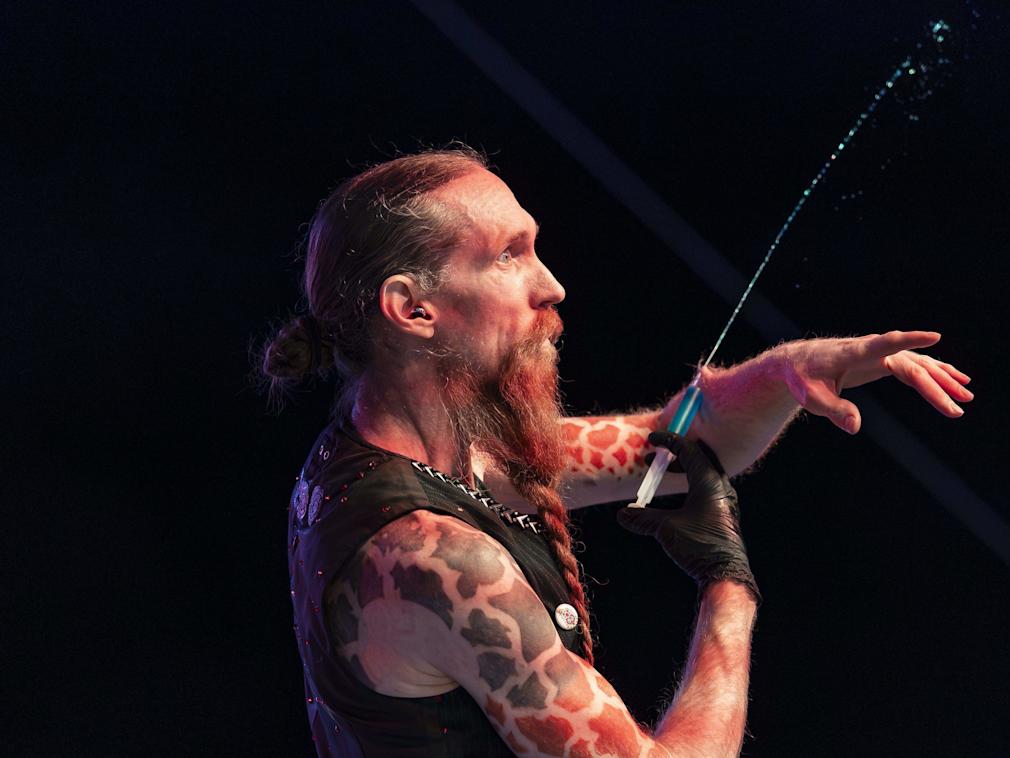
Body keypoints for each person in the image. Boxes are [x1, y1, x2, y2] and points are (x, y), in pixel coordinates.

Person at [262, 147, 973, 756]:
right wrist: (729, 589)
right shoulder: (429, 556)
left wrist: (788, 371)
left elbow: (677, 441)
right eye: (509, 256)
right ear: (412, 309)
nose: (552, 285)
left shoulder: (423, 450)